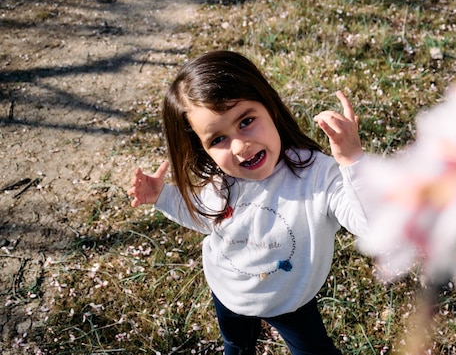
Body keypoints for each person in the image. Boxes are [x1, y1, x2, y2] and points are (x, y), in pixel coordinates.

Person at [127, 50, 368, 355]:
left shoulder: (318, 178)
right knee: (236, 345)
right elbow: (204, 218)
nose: (240, 146)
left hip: (289, 300)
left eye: (246, 121)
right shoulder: (221, 182)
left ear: (271, 108)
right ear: (203, 149)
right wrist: (161, 196)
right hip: (229, 292)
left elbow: (370, 225)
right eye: (218, 139)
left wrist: (352, 161)